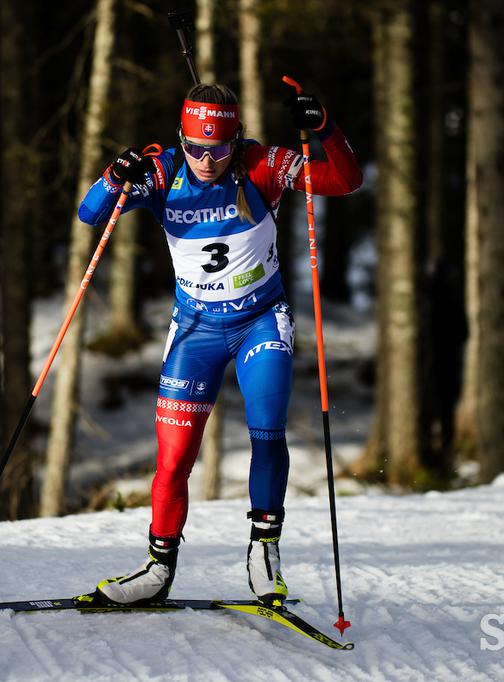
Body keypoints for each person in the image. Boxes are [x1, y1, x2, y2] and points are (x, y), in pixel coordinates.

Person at [77, 83, 361, 606]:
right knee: (174, 459)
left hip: (260, 322)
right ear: (180, 139)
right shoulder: (162, 171)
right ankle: (158, 570)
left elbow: (345, 180)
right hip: (196, 329)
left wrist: (326, 128)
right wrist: (115, 176)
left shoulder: (261, 165)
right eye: (195, 148)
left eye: (220, 148)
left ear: (238, 139)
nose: (207, 160)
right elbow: (91, 214)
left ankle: (263, 553)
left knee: (267, 432)